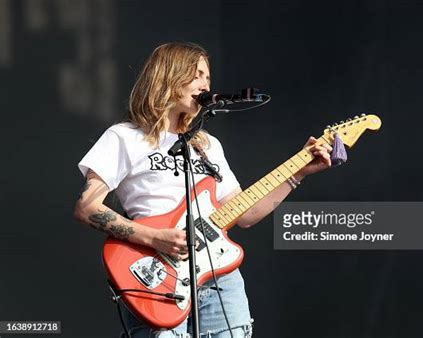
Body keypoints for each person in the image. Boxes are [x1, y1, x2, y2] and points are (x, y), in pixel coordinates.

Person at [74, 42, 333, 338]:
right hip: (157, 273)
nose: (206, 84)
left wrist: (297, 171)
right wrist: (155, 237)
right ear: (168, 75)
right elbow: (87, 207)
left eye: (208, 78)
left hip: (219, 276)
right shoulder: (125, 137)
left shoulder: (207, 145)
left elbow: (244, 213)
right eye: (197, 74)